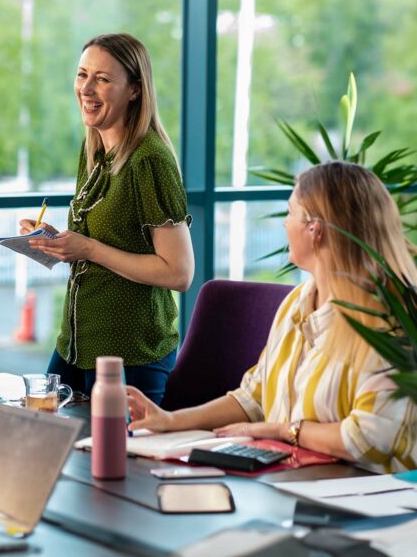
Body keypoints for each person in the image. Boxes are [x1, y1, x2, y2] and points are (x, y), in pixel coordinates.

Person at [127, 162, 417, 472]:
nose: (285, 223)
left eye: (291, 212)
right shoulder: (296, 305)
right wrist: (169, 420)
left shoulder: (386, 323)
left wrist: (284, 431)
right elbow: (254, 396)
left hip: (368, 501)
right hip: (297, 486)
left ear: (314, 229)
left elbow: (367, 439)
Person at [20, 33, 193, 404]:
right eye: (82, 75)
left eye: (103, 78)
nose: (86, 88)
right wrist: (53, 242)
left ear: (134, 90)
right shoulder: (95, 149)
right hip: (77, 345)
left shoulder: (149, 160)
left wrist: (89, 249)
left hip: (130, 352)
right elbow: (101, 242)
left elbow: (179, 273)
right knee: (34, 434)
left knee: (116, 460)